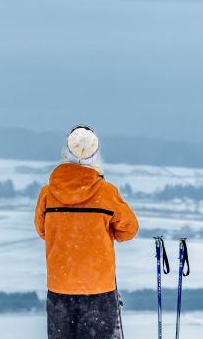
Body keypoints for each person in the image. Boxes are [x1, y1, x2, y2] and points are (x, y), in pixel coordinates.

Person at [34, 125, 139, 339]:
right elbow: (129, 230)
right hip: (99, 289)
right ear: (96, 154)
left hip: (60, 287)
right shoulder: (106, 193)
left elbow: (42, 230)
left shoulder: (48, 194)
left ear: (66, 152)